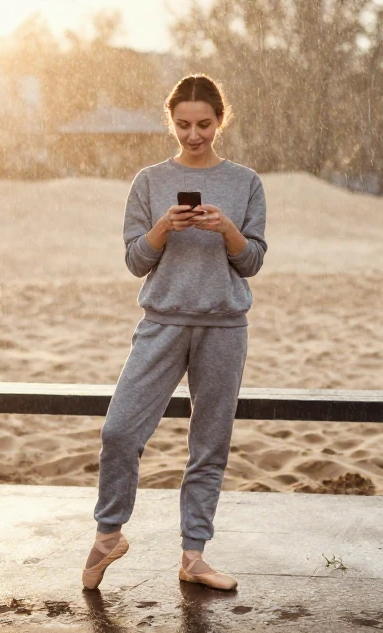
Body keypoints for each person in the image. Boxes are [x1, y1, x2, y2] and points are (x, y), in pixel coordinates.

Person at [82, 74, 268, 591]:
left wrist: (227, 230)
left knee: (209, 444)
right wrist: (164, 228)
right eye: (183, 125)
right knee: (119, 431)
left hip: (224, 326)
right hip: (161, 322)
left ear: (220, 121)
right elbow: (135, 261)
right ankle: (108, 535)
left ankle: (194, 555)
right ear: (171, 122)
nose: (193, 135)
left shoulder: (246, 182)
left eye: (204, 124)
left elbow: (252, 261)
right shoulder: (148, 181)